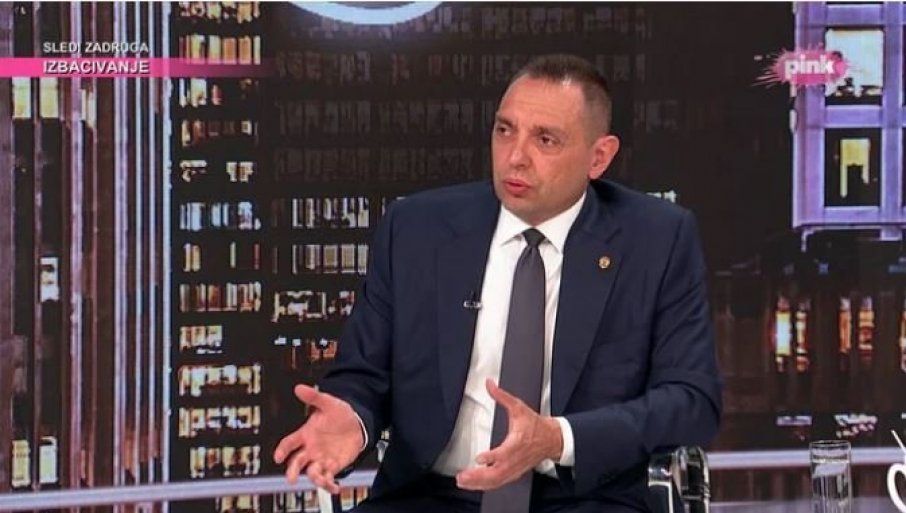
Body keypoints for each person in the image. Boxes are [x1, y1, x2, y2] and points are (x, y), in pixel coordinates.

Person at [274, 54, 722, 513]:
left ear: (599, 157)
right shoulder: (415, 229)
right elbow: (364, 374)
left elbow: (692, 401)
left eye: (545, 139)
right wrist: (353, 419)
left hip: (584, 499)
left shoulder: (655, 239)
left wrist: (558, 438)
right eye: (505, 130)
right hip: (428, 496)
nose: (515, 157)